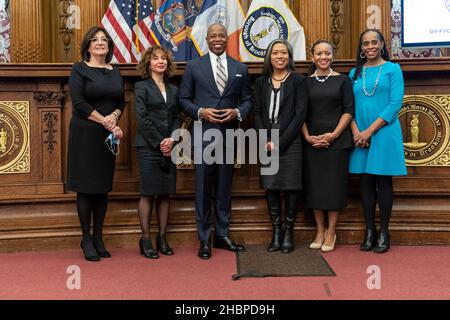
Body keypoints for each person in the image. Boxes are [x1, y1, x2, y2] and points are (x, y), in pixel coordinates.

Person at [179, 23, 252, 259]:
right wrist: (200, 112)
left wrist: (237, 112)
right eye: (213, 36)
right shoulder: (193, 66)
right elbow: (183, 99)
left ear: (225, 39)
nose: (218, 39)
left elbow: (248, 101)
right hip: (203, 135)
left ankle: (222, 235)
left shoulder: (240, 67)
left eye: (222, 35)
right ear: (207, 39)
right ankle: (204, 239)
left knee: (223, 188)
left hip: (230, 135)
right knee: (202, 188)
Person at [67, 26, 125, 262]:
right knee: (86, 186)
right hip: (85, 133)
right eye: (95, 40)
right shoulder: (79, 69)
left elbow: (121, 101)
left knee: (102, 186)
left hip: (106, 138)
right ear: (88, 46)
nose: (100, 43)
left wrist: (115, 116)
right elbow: (79, 103)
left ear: (109, 46)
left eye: (104, 40)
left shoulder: (115, 70)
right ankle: (86, 238)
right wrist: (106, 122)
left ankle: (99, 236)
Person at [349, 29, 406, 254]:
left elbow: (394, 104)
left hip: (383, 131)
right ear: (361, 48)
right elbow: (347, 107)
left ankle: (384, 232)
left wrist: (368, 132)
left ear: (382, 44)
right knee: (365, 183)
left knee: (383, 182)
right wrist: (357, 132)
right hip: (359, 132)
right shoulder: (354, 73)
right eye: (365, 43)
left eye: (374, 42)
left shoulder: (393, 69)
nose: (370, 46)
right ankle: (369, 230)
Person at [253, 39, 308, 254]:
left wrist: (280, 142)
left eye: (283, 52)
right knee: (271, 186)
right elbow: (257, 113)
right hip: (266, 140)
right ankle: (276, 232)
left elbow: (300, 113)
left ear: (289, 56)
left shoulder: (298, 81)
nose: (279, 56)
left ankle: (288, 233)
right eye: (275, 53)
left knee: (291, 186)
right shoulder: (260, 82)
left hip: (290, 140)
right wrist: (265, 139)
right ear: (269, 56)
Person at [302, 40, 354, 252]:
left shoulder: (343, 80)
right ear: (312, 57)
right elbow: (300, 112)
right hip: (312, 143)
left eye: (327, 53)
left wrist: (333, 135)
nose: (323, 57)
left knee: (334, 188)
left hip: (337, 142)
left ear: (333, 56)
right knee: (315, 188)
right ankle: (319, 230)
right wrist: (307, 137)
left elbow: (349, 110)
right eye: (319, 54)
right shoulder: (304, 82)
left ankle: (332, 231)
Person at [134, 46, 180, 259]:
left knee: (165, 193)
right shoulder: (141, 87)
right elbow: (142, 118)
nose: (160, 61)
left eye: (163, 58)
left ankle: (162, 237)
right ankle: (145, 239)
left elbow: (177, 117)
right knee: (148, 192)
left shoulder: (173, 89)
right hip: (148, 146)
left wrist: (172, 139)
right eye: (155, 58)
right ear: (148, 63)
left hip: (170, 147)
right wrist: (159, 142)